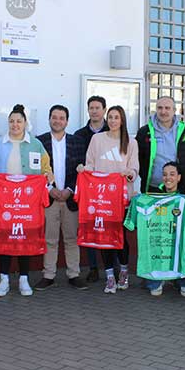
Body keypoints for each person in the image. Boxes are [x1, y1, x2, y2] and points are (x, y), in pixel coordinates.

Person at [0, 104, 52, 297]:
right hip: (4, 203)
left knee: (26, 239)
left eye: (19, 121)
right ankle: (4, 279)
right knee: (4, 239)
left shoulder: (36, 145)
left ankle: (24, 279)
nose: (15, 125)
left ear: (25, 123)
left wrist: (48, 177)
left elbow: (46, 169)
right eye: (11, 121)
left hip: (27, 203)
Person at [80, 105, 139, 293]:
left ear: (122, 120)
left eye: (117, 117)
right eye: (111, 117)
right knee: (103, 237)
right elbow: (90, 163)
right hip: (100, 199)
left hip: (121, 199)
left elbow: (134, 169)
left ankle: (123, 271)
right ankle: (110, 277)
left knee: (120, 237)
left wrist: (128, 174)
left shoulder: (131, 143)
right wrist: (84, 170)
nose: (113, 120)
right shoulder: (97, 139)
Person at [35, 105, 88, 291]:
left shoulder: (78, 142)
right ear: (49, 119)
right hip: (48, 197)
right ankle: (48, 275)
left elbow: (81, 171)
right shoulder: (38, 142)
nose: (57, 121)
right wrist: (49, 189)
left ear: (67, 121)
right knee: (49, 239)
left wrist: (69, 189)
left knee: (72, 238)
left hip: (69, 198)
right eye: (54, 117)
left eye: (61, 118)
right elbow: (36, 171)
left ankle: (74, 274)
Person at [131, 161, 185, 297]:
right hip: (159, 244)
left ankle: (184, 283)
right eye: (164, 175)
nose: (168, 178)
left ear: (179, 177)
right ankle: (159, 280)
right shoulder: (152, 196)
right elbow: (142, 219)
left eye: (172, 174)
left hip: (183, 245)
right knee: (154, 290)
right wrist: (137, 200)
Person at [74, 95, 107, 282]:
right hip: (89, 190)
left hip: (109, 190)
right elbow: (77, 160)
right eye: (91, 108)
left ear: (104, 110)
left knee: (110, 226)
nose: (94, 111)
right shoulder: (80, 135)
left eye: (97, 108)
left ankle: (113, 266)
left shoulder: (113, 131)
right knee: (90, 228)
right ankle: (93, 267)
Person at [136, 96, 185, 193]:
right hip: (152, 188)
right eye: (160, 108)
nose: (163, 112)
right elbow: (137, 158)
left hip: (177, 188)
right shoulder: (144, 132)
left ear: (174, 110)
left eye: (167, 108)